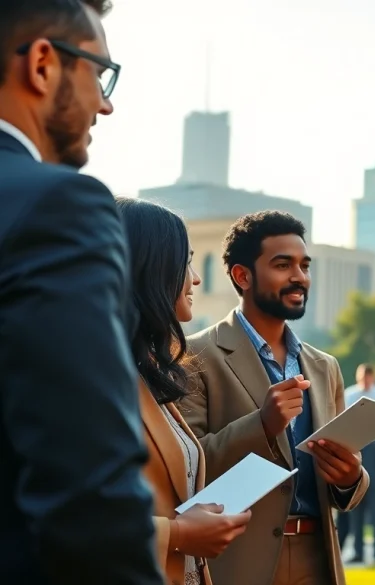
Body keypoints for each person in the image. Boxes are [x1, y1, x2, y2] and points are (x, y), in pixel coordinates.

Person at [0, 2, 163, 584]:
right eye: (101, 72)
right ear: (43, 64)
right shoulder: (58, 206)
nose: (106, 102)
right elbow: (88, 486)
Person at [181, 211, 369, 585]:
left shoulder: (324, 366)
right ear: (242, 275)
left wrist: (350, 477)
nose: (299, 277)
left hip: (317, 558)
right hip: (236, 561)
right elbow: (187, 468)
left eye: (304, 265)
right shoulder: (195, 356)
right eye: (283, 265)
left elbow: (343, 485)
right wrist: (261, 425)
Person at [118, 198, 254, 584]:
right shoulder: (95, 380)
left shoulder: (150, 374)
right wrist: (179, 534)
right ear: (151, 268)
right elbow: (74, 516)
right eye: (186, 262)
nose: (195, 278)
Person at [341, 363, 375, 565]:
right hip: (355, 447)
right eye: (361, 377)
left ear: (373, 377)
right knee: (357, 507)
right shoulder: (349, 395)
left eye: (367, 377)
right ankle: (358, 552)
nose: (364, 381)